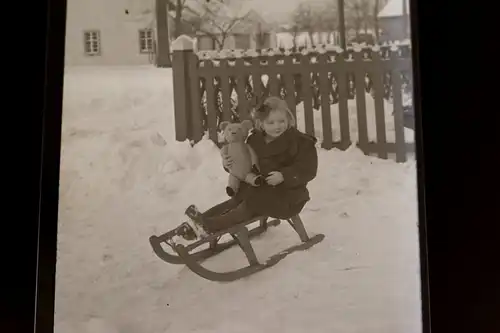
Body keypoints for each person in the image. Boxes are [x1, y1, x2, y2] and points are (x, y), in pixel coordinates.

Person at [174, 96, 319, 241]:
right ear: (261, 124)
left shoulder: (300, 142)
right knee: (235, 201)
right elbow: (243, 162)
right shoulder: (255, 140)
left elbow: (308, 168)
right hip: (257, 187)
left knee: (248, 205)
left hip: (287, 196)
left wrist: (284, 176)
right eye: (271, 122)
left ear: (289, 119)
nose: (277, 126)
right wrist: (229, 163)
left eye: (282, 121)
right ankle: (199, 222)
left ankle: (209, 226)